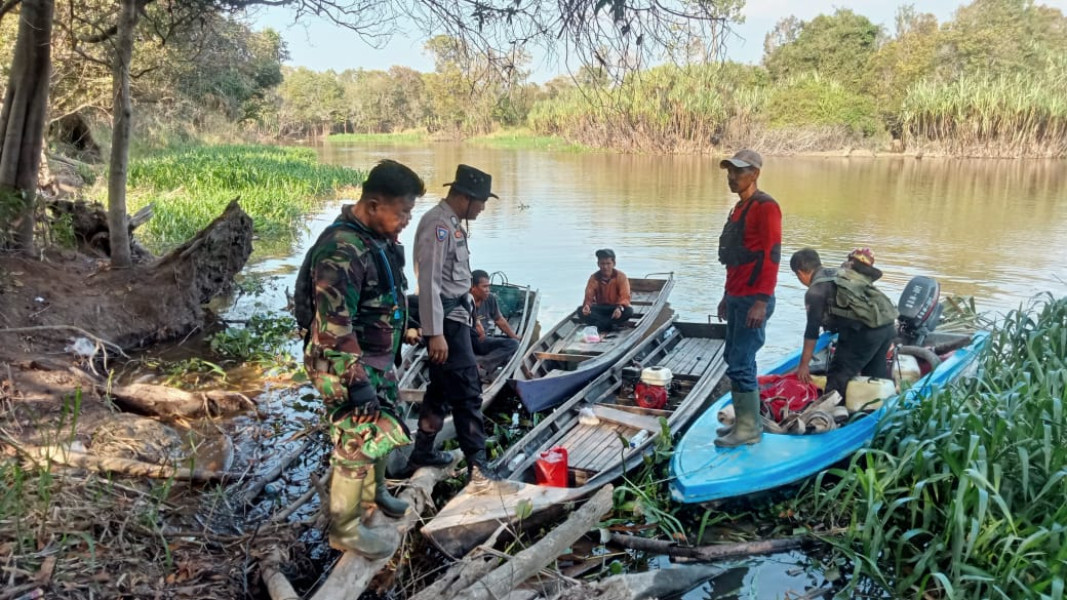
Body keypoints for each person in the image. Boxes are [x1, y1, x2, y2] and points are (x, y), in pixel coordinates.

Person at [295, 159, 425, 559]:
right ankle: (345, 529)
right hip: (345, 365)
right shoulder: (342, 249)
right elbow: (333, 328)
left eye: (410, 211)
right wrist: (358, 383)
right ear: (372, 204)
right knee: (356, 439)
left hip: (374, 358)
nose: (406, 219)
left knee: (381, 431)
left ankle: (376, 492)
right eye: (402, 211)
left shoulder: (373, 237)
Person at [408, 164, 498, 482]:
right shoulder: (438, 225)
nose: (484, 208)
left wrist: (470, 304)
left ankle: (422, 450)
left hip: (456, 317)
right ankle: (478, 468)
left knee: (440, 391)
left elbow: (451, 279)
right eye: (482, 201)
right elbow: (429, 281)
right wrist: (434, 334)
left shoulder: (452, 223)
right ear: (466, 197)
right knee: (467, 393)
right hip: (445, 324)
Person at [715, 149, 782, 447]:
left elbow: (771, 256)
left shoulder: (766, 207)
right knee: (734, 358)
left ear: (754, 174)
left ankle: (749, 430)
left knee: (741, 362)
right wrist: (726, 296)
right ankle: (746, 424)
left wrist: (761, 300)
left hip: (754, 299)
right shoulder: (738, 209)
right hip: (737, 296)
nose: (732, 177)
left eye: (739, 172)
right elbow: (736, 260)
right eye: (730, 171)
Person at [790, 247, 898, 401]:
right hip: (886, 326)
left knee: (838, 376)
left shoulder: (815, 292)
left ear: (800, 273)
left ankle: (834, 416)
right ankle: (876, 408)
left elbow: (811, 332)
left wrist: (804, 365)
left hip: (865, 332)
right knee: (874, 376)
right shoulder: (842, 273)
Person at [470, 269, 521, 376]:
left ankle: (482, 363)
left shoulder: (490, 298)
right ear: (473, 287)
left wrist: (514, 336)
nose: (487, 290)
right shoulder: (465, 301)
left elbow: (499, 320)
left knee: (513, 344)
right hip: (468, 341)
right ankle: (482, 363)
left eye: (488, 286)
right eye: (484, 287)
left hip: (484, 340)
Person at [580, 248, 634, 332]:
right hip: (601, 308)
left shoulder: (621, 276)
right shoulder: (594, 278)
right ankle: (609, 324)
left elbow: (625, 297)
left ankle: (599, 324)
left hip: (615, 308)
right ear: (598, 264)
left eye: (608, 263)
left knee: (629, 311)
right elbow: (588, 297)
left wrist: (619, 308)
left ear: (614, 263)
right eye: (602, 263)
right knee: (580, 310)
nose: (605, 267)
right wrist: (586, 306)